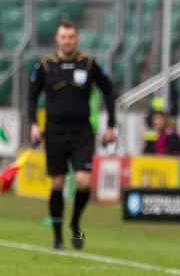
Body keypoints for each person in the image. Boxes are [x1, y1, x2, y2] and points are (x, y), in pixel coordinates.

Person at [27, 20, 116, 250]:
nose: (67, 41)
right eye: (63, 37)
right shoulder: (45, 66)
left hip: (82, 132)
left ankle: (75, 223)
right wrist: (33, 125)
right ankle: (57, 238)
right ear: (57, 39)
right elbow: (31, 97)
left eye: (71, 37)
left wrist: (111, 125)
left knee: (83, 181)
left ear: (77, 39)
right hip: (54, 132)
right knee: (57, 182)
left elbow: (109, 92)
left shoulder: (89, 64)